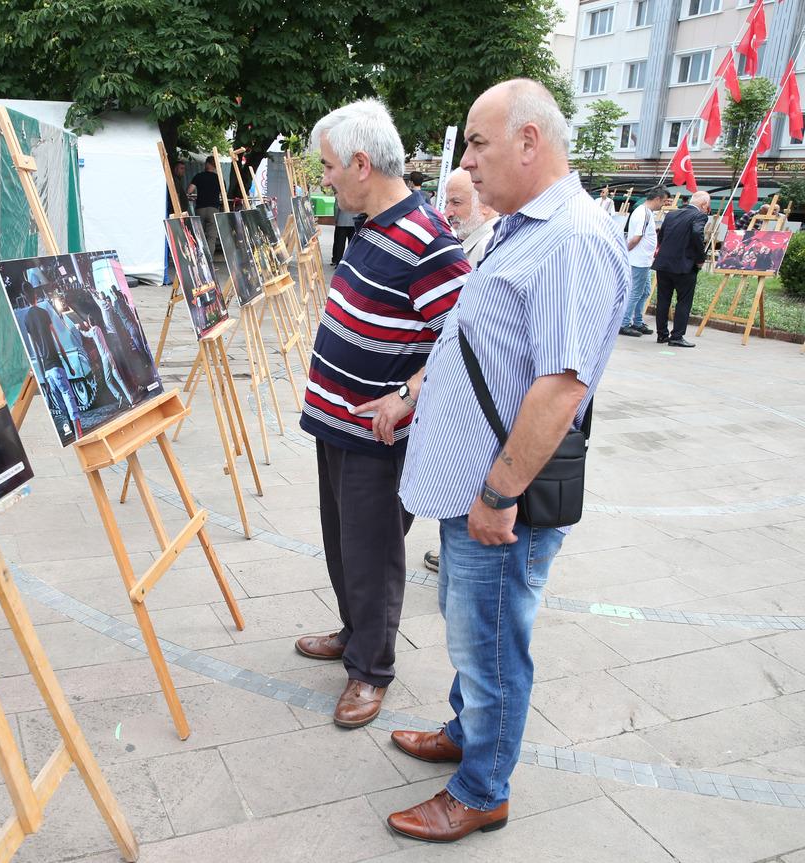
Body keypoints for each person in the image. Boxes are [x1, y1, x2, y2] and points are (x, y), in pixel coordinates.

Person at [388, 79, 627, 843]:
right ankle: (468, 732)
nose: (467, 161)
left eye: (478, 143)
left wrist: (497, 492)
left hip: (499, 500)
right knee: (473, 633)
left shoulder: (575, 238)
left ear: (530, 140)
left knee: (491, 644)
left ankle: (482, 789)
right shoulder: (523, 228)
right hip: (473, 489)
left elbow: (560, 388)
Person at [295, 98, 470, 729]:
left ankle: (371, 669)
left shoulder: (427, 238)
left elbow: (465, 338)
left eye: (330, 166)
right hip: (337, 423)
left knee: (372, 555)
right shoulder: (374, 224)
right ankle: (353, 632)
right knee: (343, 544)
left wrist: (408, 395)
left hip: (377, 433)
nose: (326, 178)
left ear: (362, 163)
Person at [419, 167, 502, 575]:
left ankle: (460, 550)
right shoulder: (469, 240)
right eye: (446, 201)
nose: (446, 211)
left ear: (483, 204)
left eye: (456, 202)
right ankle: (452, 547)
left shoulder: (488, 244)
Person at [20, 281, 83, 438]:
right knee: (68, 395)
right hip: (56, 363)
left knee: (60, 401)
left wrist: (43, 377)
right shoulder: (43, 313)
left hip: (46, 370)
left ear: (23, 297)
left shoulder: (27, 319)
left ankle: (70, 429)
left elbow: (35, 350)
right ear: (35, 295)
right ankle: (78, 430)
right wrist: (69, 365)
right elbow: (57, 341)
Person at [652, 190, 710, 348]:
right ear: (703, 205)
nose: (707, 209)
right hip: (684, 265)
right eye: (708, 206)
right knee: (684, 300)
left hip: (664, 264)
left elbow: (661, 236)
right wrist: (700, 259)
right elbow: (697, 234)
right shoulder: (699, 216)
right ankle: (677, 336)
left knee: (663, 299)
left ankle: (662, 334)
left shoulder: (672, 214)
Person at [619, 186, 670, 337]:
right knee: (636, 292)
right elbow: (636, 237)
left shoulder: (647, 212)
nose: (664, 204)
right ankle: (624, 323)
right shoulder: (643, 213)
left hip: (645, 260)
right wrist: (625, 252)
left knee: (644, 291)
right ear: (657, 199)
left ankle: (637, 321)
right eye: (664, 201)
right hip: (639, 260)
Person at [188, 156, 225, 258]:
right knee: (211, 238)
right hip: (213, 209)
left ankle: (199, 260)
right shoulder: (219, 179)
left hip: (200, 208)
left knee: (199, 236)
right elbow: (224, 195)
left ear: (208, 164)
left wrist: (191, 197)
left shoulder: (199, 176)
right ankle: (209, 262)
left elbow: (189, 191)